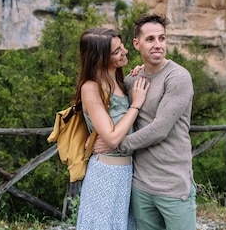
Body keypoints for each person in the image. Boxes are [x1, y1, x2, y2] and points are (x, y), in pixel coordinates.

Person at [96, 13, 197, 230]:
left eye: (162, 38)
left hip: (173, 185)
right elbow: (111, 104)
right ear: (136, 43)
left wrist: (117, 144)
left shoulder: (178, 77)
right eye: (150, 39)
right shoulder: (133, 80)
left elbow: (159, 129)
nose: (158, 45)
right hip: (140, 186)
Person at [75, 27, 150, 230]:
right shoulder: (91, 87)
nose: (125, 51)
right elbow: (113, 138)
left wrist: (139, 72)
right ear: (99, 58)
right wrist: (136, 104)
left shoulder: (119, 80)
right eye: (116, 51)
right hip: (106, 172)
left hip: (126, 171)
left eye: (122, 46)